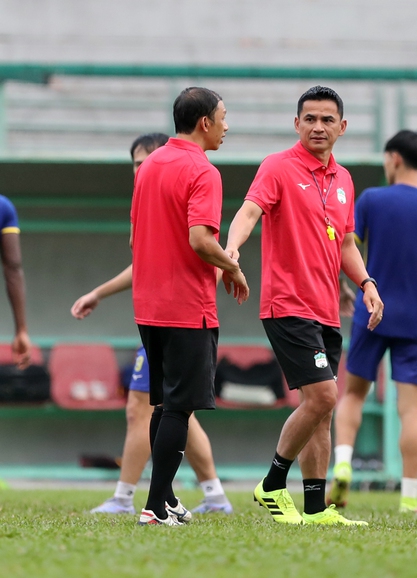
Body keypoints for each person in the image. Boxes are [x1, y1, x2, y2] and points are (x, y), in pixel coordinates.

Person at [226, 86, 384, 526]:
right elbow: (249, 211)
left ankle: (316, 508)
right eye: (310, 118)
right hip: (287, 305)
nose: (318, 126)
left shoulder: (345, 180)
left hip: (326, 309)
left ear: (342, 127)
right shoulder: (277, 167)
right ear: (296, 124)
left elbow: (347, 243)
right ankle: (273, 483)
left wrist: (367, 282)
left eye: (327, 119)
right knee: (323, 395)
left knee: (323, 412)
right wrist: (232, 249)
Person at [72, 133, 235, 516]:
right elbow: (146, 263)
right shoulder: (149, 200)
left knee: (149, 407)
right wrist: (99, 292)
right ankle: (206, 496)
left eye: (148, 162)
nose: (142, 170)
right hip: (156, 315)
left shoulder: (192, 183)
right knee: (175, 409)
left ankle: (134, 498)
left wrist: (228, 271)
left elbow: (205, 253)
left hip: (177, 316)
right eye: (136, 165)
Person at [328, 130, 417, 514]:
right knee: (411, 411)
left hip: (370, 314)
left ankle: (341, 464)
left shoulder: (372, 199)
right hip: (416, 322)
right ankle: (408, 497)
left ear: (393, 159)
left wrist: (344, 285)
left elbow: (345, 245)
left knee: (353, 394)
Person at [131, 87, 248, 526]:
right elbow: (201, 240)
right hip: (185, 305)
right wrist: (232, 267)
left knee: (164, 405)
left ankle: (162, 501)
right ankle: (155, 507)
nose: (226, 125)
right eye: (223, 116)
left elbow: (136, 234)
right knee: (179, 407)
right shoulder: (203, 170)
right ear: (204, 122)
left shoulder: (150, 165)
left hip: (148, 304)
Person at [0, 195, 32, 369]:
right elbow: (13, 268)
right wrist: (21, 330)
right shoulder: (4, 206)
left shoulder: (3, 208)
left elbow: (13, 268)